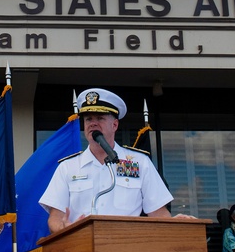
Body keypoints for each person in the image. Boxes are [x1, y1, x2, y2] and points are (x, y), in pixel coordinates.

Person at [40, 88, 181, 233]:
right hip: (80, 246)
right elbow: (55, 218)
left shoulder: (139, 162)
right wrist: (63, 228)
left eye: (100, 118)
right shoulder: (68, 167)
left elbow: (158, 213)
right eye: (88, 119)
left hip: (127, 246)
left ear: (115, 125)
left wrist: (178, 223)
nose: (93, 123)